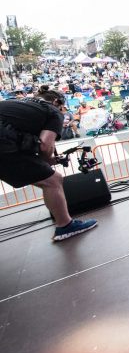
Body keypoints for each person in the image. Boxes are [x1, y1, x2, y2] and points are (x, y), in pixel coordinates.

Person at [0, 86, 97, 241]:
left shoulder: (18, 103)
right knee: (53, 180)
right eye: (62, 107)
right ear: (56, 101)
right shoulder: (52, 111)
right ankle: (65, 226)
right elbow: (45, 146)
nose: (62, 111)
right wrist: (48, 161)